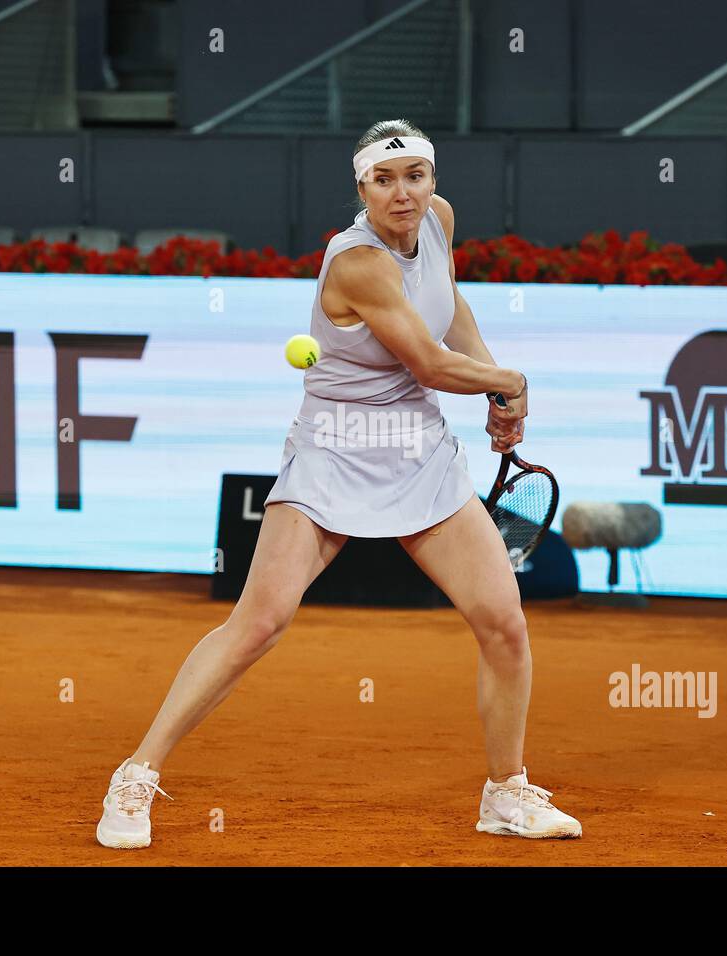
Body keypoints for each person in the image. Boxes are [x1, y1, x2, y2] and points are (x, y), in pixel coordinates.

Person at [96, 119, 582, 849]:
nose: (402, 193)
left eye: (414, 176)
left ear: (432, 181)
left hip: (419, 452)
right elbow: (429, 363)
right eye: (384, 181)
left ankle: (505, 793)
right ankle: (134, 778)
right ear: (361, 189)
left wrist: (496, 395)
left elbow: (452, 311)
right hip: (334, 452)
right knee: (259, 623)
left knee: (503, 621)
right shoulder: (358, 265)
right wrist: (509, 381)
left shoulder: (438, 222)